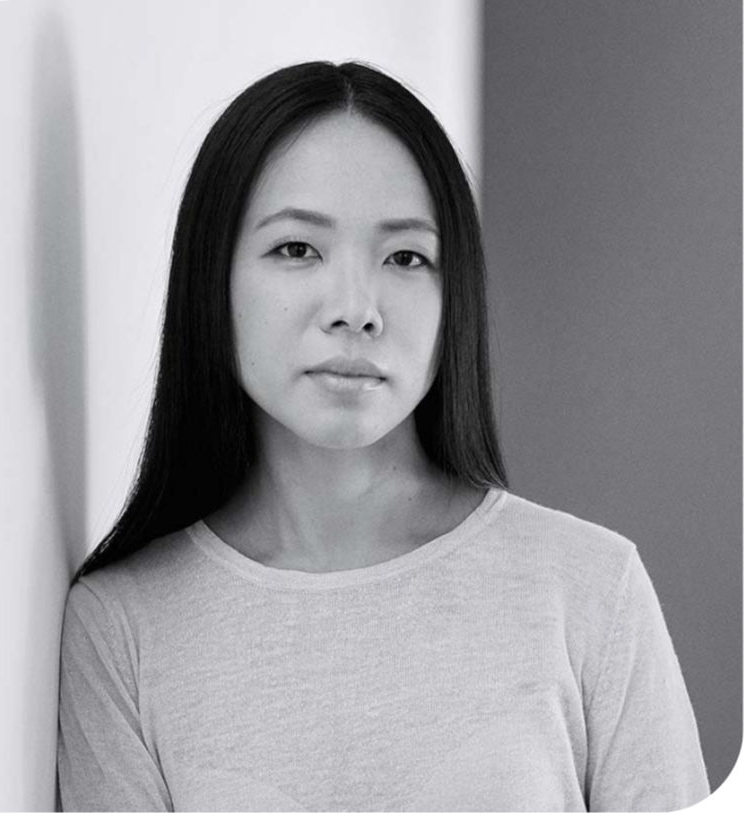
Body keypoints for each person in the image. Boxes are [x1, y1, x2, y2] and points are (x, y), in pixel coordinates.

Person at [56, 60, 710, 812]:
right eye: (297, 249)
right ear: (212, 279)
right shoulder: (123, 630)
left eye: (405, 257)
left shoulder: (590, 589)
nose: (355, 309)